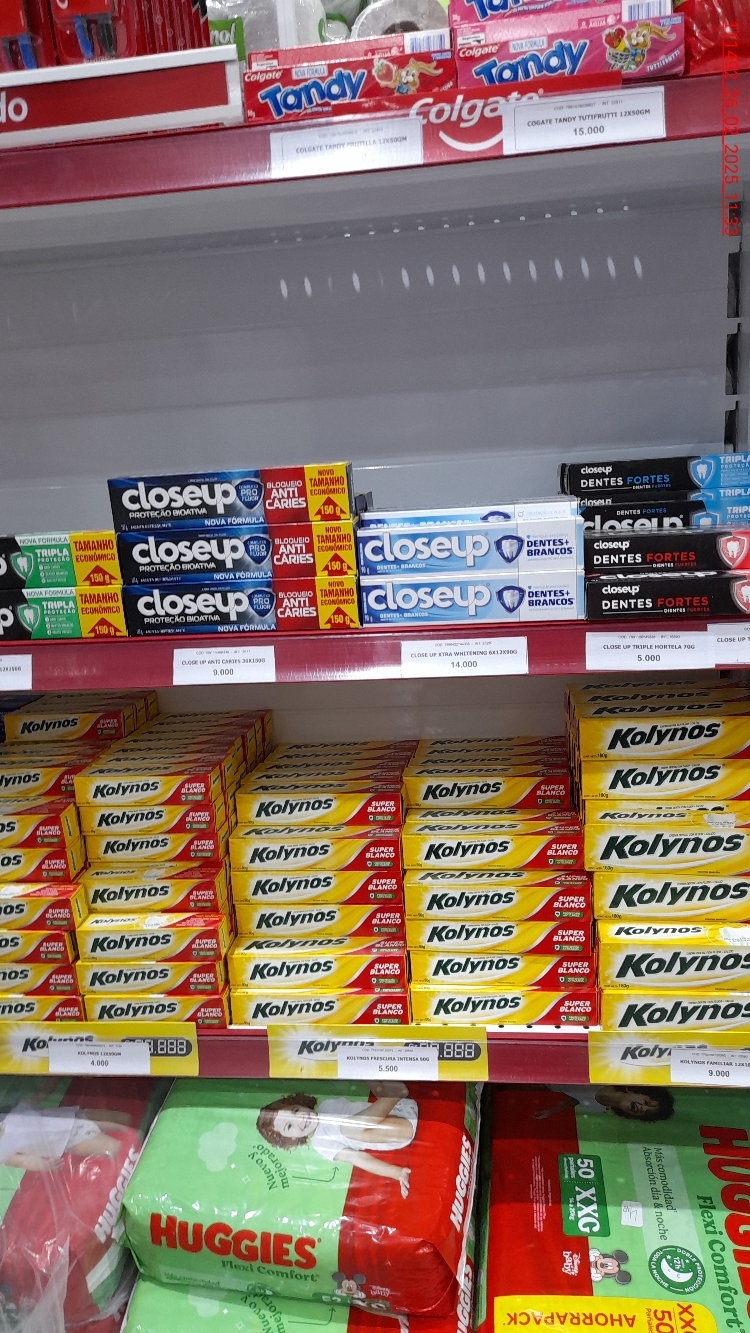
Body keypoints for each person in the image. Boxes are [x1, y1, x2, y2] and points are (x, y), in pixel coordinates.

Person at [256, 1082, 417, 1197]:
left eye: (295, 1110)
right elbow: (359, 1159)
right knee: (347, 1128)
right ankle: (393, 1095)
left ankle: (392, 1094)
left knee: (361, 1067)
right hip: (401, 1130)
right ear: (291, 1138)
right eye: (290, 1126)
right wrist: (396, 1173)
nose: (300, 1118)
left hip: (402, 1106)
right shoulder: (321, 1144)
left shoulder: (327, 1105)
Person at [0, 1104, 123, 1172]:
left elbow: (32, 1100)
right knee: (117, 1149)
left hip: (71, 1117)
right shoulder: (2, 1150)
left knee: (120, 1121)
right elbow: (22, 1161)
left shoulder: (8, 1115)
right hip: (71, 1140)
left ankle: (130, 1136)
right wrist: (43, 1165)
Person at [532, 1085, 674, 1122]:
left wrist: (550, 1111)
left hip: (545, 1086)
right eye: (646, 1102)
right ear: (635, 1090)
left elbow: (573, 1100)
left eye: (646, 1112)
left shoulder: (599, 1110)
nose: (643, 1108)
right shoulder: (604, 1078)